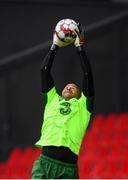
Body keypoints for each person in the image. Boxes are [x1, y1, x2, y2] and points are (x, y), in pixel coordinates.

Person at [31, 23, 94, 179]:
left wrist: (80, 48)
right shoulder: (52, 99)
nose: (69, 88)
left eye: (74, 87)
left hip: (67, 169)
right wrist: (55, 46)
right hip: (44, 164)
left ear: (80, 95)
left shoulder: (83, 107)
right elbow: (44, 71)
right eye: (67, 86)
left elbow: (87, 74)